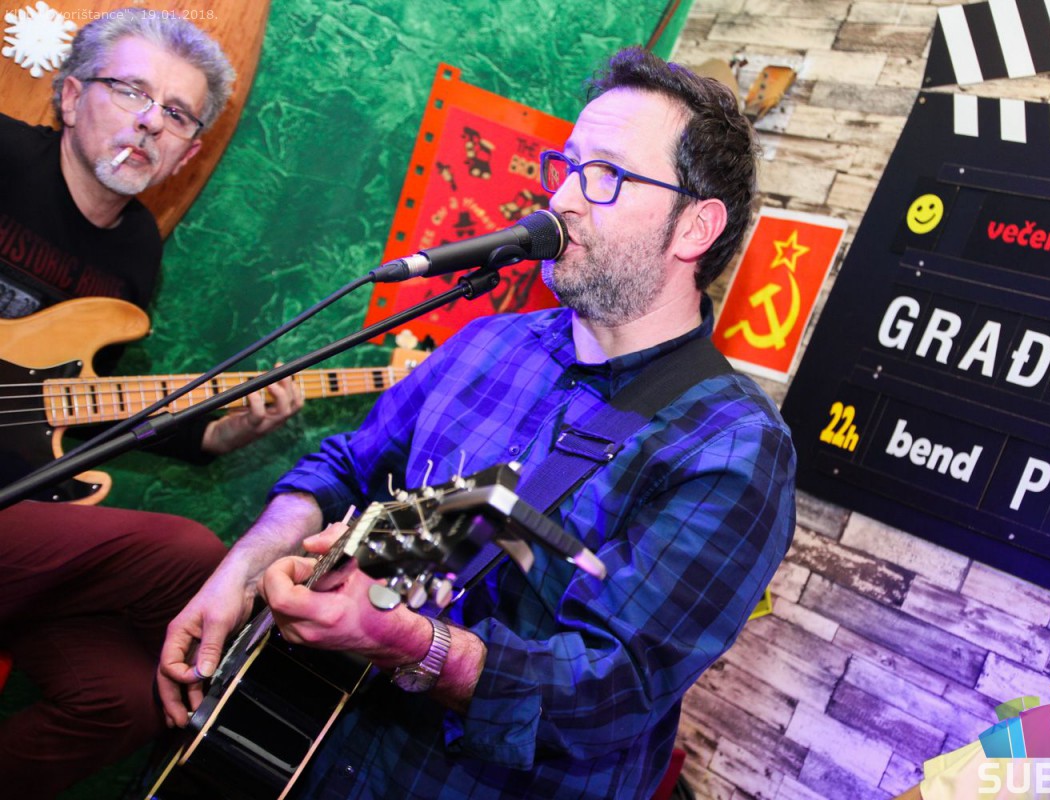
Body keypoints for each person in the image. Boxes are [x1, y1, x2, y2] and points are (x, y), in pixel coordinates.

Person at [159, 47, 796, 799]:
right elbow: (345, 467)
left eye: (606, 175)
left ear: (696, 227)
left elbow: (609, 691)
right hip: (306, 746)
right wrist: (238, 574)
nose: (563, 198)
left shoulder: (732, 446)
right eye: (568, 166)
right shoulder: (490, 342)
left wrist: (414, 644)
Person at [0, 11, 302, 798]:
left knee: (123, 701)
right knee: (190, 554)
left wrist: (223, 434)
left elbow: (85, 405)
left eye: (176, 113)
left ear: (188, 151)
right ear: (71, 97)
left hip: (20, 504)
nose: (149, 122)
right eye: (130, 91)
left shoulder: (134, 253)